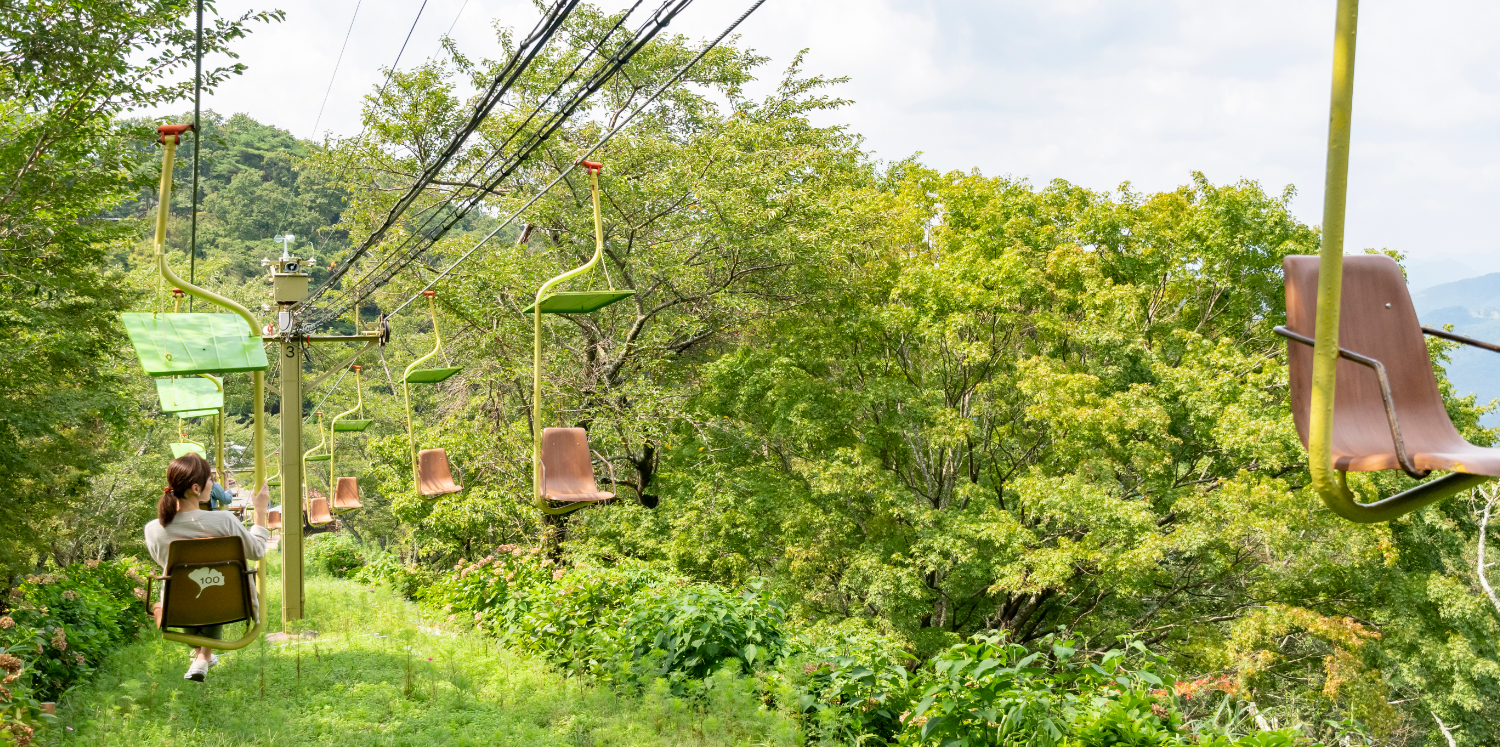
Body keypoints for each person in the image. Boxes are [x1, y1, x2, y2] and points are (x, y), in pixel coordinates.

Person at [144, 453, 270, 683]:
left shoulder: (154, 530)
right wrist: (260, 512)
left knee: (197, 586)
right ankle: (204, 656)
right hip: (228, 603)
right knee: (216, 582)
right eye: (210, 479)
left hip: (180, 608)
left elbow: (162, 561)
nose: (213, 484)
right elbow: (257, 551)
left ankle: (202, 655)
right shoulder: (224, 521)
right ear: (195, 487)